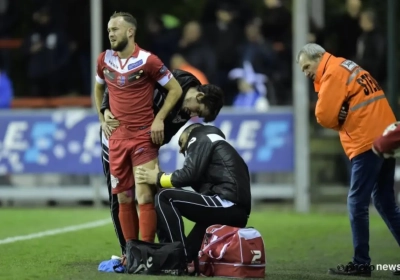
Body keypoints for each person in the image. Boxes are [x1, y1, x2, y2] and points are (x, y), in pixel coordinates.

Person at [296, 43, 400, 277]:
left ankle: (361, 262)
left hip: (367, 140)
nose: (306, 73)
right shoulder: (347, 66)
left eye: (306, 66)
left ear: (319, 58)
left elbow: (323, 115)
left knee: (357, 202)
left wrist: (339, 116)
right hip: (386, 136)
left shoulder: (332, 72)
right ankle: (361, 260)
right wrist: (340, 111)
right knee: (384, 202)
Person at [100, 69, 224, 254]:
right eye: (197, 110)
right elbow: (124, 78)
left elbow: (163, 134)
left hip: (143, 143)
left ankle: (153, 250)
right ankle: (128, 253)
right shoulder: (169, 79)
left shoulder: (185, 110)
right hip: (115, 134)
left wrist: (149, 149)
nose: (193, 115)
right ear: (199, 95)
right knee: (120, 196)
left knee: (150, 193)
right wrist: (105, 108)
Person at [93, 12, 183, 252]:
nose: (110, 34)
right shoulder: (104, 59)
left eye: (115, 29)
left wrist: (159, 119)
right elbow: (98, 87)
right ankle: (131, 253)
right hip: (117, 139)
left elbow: (175, 89)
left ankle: (146, 252)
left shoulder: (149, 60)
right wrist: (103, 117)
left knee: (144, 196)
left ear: (130, 32)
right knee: (123, 198)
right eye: (109, 29)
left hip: (144, 136)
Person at [135, 123, 251, 267]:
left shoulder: (200, 136)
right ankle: (183, 259)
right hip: (233, 209)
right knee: (189, 252)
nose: (180, 149)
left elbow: (189, 174)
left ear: (189, 133)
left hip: (227, 204)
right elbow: (198, 182)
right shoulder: (216, 145)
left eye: (181, 142)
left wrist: (158, 178)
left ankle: (173, 257)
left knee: (165, 197)